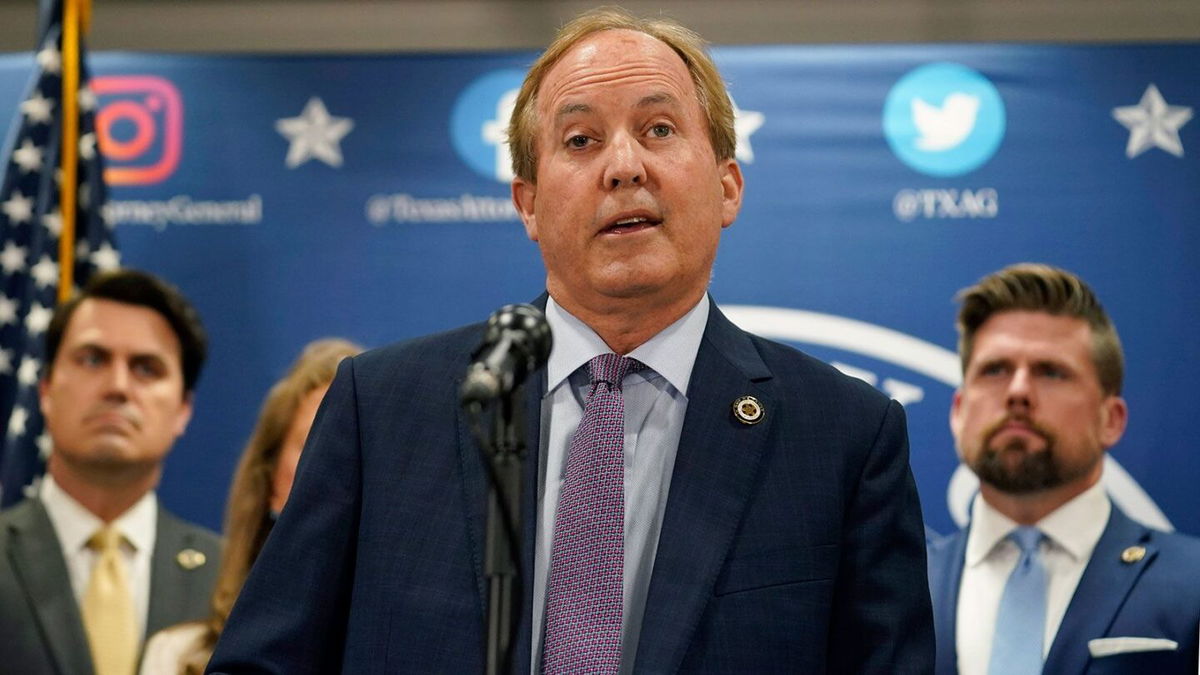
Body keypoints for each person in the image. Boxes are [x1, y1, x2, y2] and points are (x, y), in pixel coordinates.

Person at [208, 7, 933, 673]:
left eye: (659, 130)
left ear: (728, 186)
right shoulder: (383, 410)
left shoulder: (844, 438)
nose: (624, 166)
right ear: (527, 202)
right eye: (581, 140)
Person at [927, 263, 1200, 674]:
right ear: (959, 412)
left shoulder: (1192, 584)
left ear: (1112, 419)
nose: (1018, 391)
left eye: (1051, 372)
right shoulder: (900, 588)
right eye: (995, 370)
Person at [0, 268, 219, 675]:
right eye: (93, 359)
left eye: (146, 368)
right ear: (45, 390)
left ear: (183, 409)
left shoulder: (231, 582)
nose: (117, 386)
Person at [138, 338, 363, 675]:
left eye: (360, 450)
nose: (341, 472)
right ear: (270, 482)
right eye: (316, 446)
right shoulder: (176, 657)